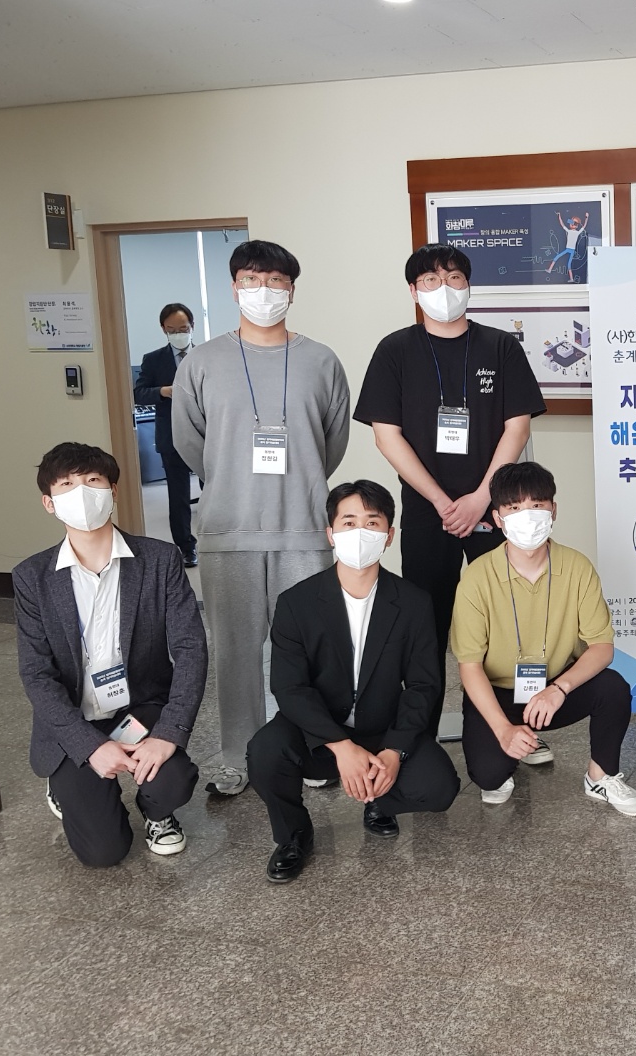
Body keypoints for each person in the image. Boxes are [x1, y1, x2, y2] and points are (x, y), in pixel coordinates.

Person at [173, 240, 351, 798]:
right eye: (252, 279)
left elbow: (331, 442)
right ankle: (239, 755)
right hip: (228, 531)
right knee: (236, 652)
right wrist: (232, 479)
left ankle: (311, 747)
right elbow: (190, 443)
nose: (264, 290)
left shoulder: (321, 361)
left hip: (304, 528)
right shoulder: (202, 362)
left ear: (292, 289)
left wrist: (299, 479)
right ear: (234, 287)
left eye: (276, 280)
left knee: (309, 650)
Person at [354, 244, 545, 737]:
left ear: (469, 285)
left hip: (497, 510)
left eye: (454, 277)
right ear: (413, 291)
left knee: (508, 619)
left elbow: (517, 426)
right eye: (431, 280)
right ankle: (420, 733)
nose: (444, 289)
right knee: (427, 624)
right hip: (427, 512)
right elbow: (386, 435)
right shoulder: (395, 350)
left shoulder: (500, 347)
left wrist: (483, 497)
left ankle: (515, 728)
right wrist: (442, 502)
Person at [248, 480, 460, 883]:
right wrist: (341, 746)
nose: (360, 532)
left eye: (372, 522)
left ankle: (379, 802)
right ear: (331, 534)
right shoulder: (296, 602)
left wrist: (394, 751)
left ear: (389, 535)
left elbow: (423, 685)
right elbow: (289, 687)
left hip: (382, 729)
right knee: (265, 752)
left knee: (439, 787)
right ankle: (294, 835)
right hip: (319, 732)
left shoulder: (413, 602)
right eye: (348, 522)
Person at [13, 442, 206, 866]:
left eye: (93, 480)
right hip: (75, 719)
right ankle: (66, 785)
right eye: (67, 485)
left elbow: (191, 649)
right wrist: (88, 745)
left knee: (173, 779)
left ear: (113, 491)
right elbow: (36, 674)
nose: (82, 493)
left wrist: (168, 734)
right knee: (103, 853)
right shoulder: (32, 577)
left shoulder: (159, 560)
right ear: (49, 503)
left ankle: (157, 813)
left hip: (138, 711)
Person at [451, 461, 636, 815]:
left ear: (553, 510)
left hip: (555, 688)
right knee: (490, 777)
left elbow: (602, 647)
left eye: (537, 505)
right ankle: (517, 737)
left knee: (613, 687)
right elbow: (469, 666)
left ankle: (601, 776)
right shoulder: (477, 577)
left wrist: (559, 688)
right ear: (497, 518)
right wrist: (503, 729)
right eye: (514, 507)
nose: (527, 516)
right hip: (498, 693)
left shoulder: (577, 567)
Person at [134, 302, 199, 566]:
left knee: (216, 493)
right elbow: (139, 394)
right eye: (172, 330)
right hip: (171, 436)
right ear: (163, 329)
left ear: (192, 326)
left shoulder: (206, 355)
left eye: (183, 329)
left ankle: (220, 541)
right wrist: (164, 391)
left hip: (207, 436)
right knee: (178, 496)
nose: (178, 334)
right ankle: (186, 547)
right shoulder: (153, 359)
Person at [546, 211, 590, 280]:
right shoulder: (569, 231)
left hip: (572, 250)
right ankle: (550, 269)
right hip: (568, 249)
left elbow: (584, 226)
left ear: (577, 225)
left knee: (568, 264)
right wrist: (559, 216)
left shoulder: (577, 232)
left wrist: (586, 217)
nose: (572, 224)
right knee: (557, 257)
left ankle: (571, 278)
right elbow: (562, 224)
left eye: (574, 223)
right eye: (571, 222)